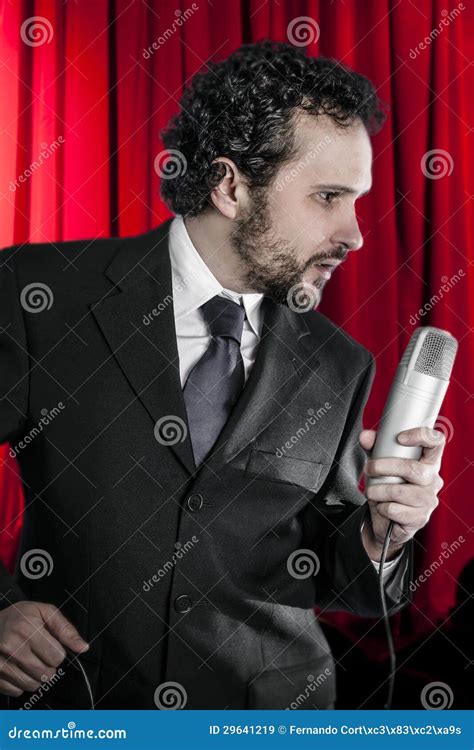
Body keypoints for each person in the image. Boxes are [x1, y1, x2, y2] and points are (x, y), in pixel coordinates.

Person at [0, 40, 444, 709]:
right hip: (79, 706)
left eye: (357, 201)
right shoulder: (40, 294)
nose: (354, 233)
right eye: (329, 197)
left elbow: (334, 575)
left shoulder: (339, 363)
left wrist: (384, 535)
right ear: (231, 185)